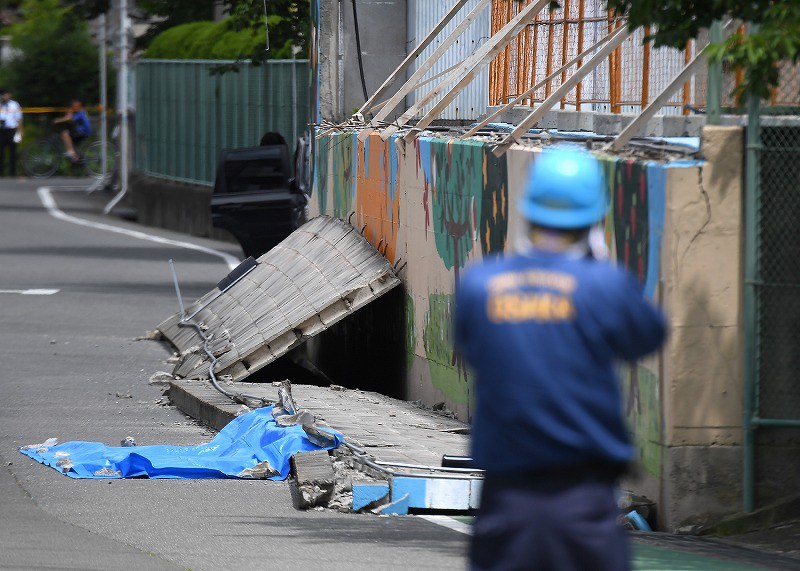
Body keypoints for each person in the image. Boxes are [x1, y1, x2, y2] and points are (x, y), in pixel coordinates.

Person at [455, 145, 667, 571]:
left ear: (528, 211)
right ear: (594, 218)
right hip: (583, 500)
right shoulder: (605, 285)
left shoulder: (479, 285)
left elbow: (472, 350)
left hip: (504, 500)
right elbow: (648, 336)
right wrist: (601, 266)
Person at [0, 88, 23, 176]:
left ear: (10, 95)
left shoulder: (14, 105)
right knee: (1, 152)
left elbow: (19, 119)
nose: (5, 97)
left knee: (13, 152)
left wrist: (20, 131)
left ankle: (12, 173)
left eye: (7, 94)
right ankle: (1, 173)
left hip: (11, 130)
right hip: (1, 130)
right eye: (3, 95)